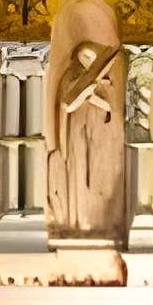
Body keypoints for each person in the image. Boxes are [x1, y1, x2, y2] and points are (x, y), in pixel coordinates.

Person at [49, 39, 121, 239]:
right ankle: (79, 218)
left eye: (92, 58)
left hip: (95, 131)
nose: (90, 61)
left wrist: (102, 102)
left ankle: (99, 218)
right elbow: (68, 104)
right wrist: (87, 90)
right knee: (78, 169)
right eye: (87, 57)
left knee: (97, 170)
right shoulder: (71, 77)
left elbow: (104, 104)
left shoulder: (100, 80)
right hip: (77, 131)